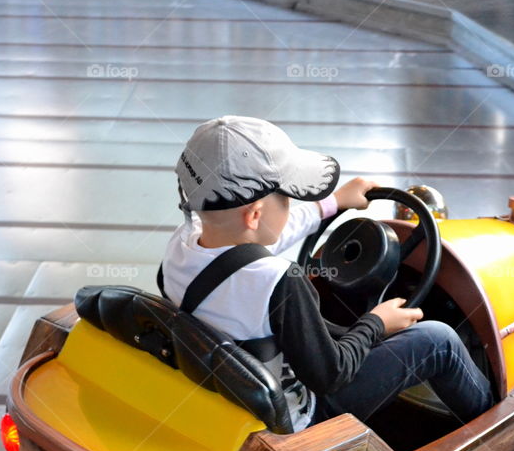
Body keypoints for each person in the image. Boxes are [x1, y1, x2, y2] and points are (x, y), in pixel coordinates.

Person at [159, 115, 493, 431]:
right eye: (288, 198)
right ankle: (494, 427)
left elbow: (247, 248)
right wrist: (377, 323)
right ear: (254, 215)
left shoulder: (184, 245)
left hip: (232, 395)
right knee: (439, 340)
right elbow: (332, 375)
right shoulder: (280, 282)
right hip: (297, 416)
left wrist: (332, 204)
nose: (290, 206)